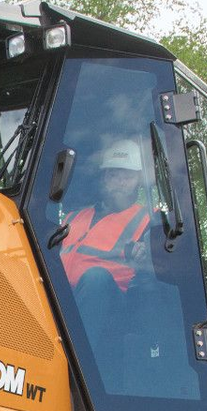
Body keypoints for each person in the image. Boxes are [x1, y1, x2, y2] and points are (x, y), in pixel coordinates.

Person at [59, 137, 153, 332]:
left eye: (127, 176)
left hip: (113, 309)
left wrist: (148, 253)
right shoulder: (72, 217)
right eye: (113, 175)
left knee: (96, 278)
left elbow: (161, 260)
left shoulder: (149, 220)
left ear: (138, 181)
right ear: (103, 178)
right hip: (60, 298)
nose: (120, 182)